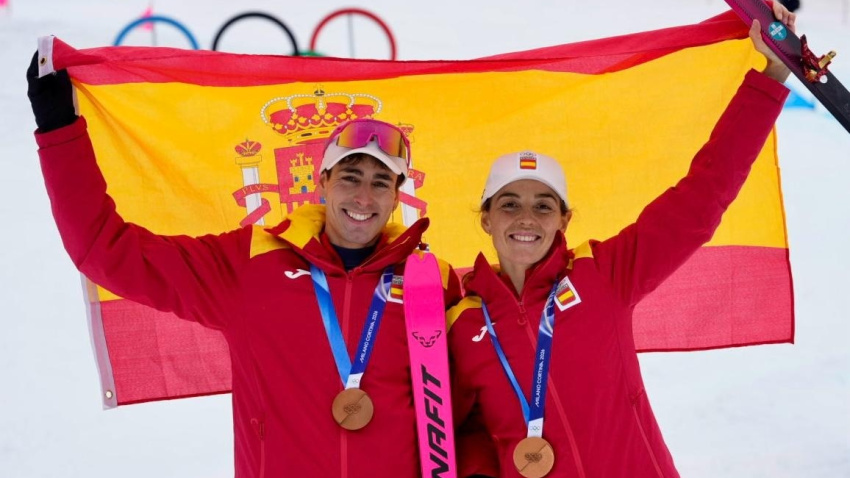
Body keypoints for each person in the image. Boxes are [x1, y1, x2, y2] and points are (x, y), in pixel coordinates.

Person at [27, 55, 465, 476]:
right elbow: (106, 251)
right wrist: (59, 130)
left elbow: (473, 414)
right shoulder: (251, 263)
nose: (364, 199)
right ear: (323, 181)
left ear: (396, 195)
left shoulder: (433, 282)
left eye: (380, 183)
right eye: (350, 177)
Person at [448, 4, 795, 478]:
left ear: (564, 220)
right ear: (485, 219)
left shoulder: (604, 274)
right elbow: (455, 434)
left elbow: (701, 198)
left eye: (543, 205)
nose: (525, 218)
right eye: (509, 204)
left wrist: (771, 77)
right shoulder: (461, 323)